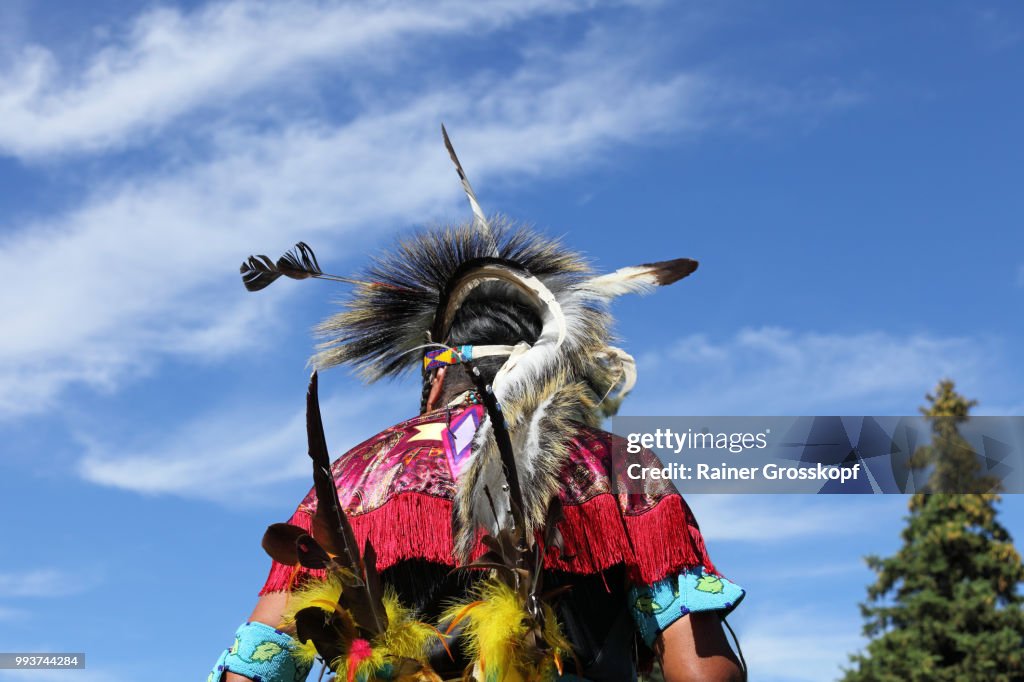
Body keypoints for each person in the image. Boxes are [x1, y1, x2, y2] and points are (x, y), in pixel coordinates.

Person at [209, 129, 746, 682]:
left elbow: (257, 664)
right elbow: (701, 672)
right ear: (544, 364)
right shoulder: (614, 467)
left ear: (437, 372)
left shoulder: (353, 477)